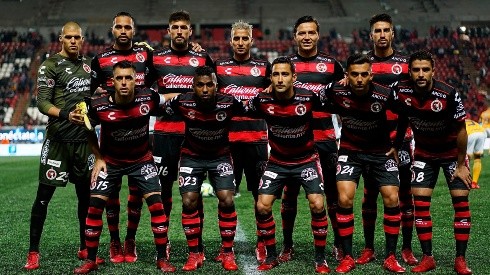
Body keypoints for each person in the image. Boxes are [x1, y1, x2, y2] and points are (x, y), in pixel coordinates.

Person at [74, 61, 178, 274]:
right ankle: (91, 260)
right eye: (119, 78)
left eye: (128, 78)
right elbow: (87, 128)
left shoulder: (147, 97)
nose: (123, 82)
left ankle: (161, 258)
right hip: (110, 162)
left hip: (141, 160)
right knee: (94, 206)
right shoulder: (99, 105)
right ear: (112, 81)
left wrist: (193, 91)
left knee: (157, 205)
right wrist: (98, 157)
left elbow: (168, 97)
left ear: (135, 80)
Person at [23, 21, 104, 271]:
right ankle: (33, 252)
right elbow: (42, 103)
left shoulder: (91, 65)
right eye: (68, 37)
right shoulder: (50, 66)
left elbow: (107, 84)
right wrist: (67, 115)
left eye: (77, 37)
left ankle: (84, 248)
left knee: (85, 198)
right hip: (57, 141)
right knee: (43, 198)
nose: (73, 41)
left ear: (82, 40)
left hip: (84, 142)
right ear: (61, 39)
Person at [393, 50, 472, 275]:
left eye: (425, 69)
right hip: (424, 154)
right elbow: (401, 119)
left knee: (461, 202)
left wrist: (461, 164)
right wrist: (396, 145)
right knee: (421, 205)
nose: (420, 74)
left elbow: (461, 130)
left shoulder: (447, 93)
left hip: (451, 155)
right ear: (409, 71)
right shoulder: (401, 91)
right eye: (416, 69)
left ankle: (460, 260)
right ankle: (428, 258)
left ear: (433, 71)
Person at [324, 53, 405, 273]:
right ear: (347, 76)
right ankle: (348, 256)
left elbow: (404, 114)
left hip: (380, 152)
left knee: (391, 198)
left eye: (363, 74)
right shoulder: (336, 90)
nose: (359, 79)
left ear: (370, 75)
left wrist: (396, 144)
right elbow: (315, 99)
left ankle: (390, 256)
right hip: (351, 151)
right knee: (344, 197)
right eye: (354, 74)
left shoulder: (385, 93)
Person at [251, 56, 330, 273]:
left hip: (306, 161)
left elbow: (333, 100)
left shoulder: (308, 98)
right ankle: (274, 255)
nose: (280, 78)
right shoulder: (262, 100)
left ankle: (320, 258)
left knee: (317, 204)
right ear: (270, 77)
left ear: (294, 77)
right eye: (276, 74)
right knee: (262, 205)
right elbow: (237, 107)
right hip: (277, 162)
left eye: (285, 74)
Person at [161, 66, 243, 271]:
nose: (205, 89)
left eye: (209, 85)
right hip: (191, 157)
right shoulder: (182, 102)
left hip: (220, 156)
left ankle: (227, 252)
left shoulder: (230, 102)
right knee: (189, 201)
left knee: (226, 198)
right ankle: (194, 253)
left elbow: (256, 106)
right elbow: (156, 105)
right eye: (200, 85)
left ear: (216, 85)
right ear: (193, 87)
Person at [147, 10, 214, 259]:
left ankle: (197, 245)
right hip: (164, 134)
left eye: (183, 27)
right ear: (168, 31)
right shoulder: (157, 59)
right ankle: (163, 244)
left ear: (189, 31)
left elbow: (214, 91)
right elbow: (144, 91)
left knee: (194, 192)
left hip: (195, 134)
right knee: (163, 191)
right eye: (174, 27)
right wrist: (167, 98)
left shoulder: (202, 57)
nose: (178, 31)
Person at [279, 15, 345, 263]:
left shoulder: (332, 65)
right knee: (290, 195)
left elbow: (344, 98)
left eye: (311, 33)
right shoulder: (285, 65)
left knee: (331, 195)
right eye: (302, 33)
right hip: (292, 142)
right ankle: (287, 245)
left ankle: (338, 243)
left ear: (318, 35)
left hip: (325, 139)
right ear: (295, 36)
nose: (306, 37)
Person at [90, 11, 152, 264]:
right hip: (111, 133)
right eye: (119, 27)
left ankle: (131, 239)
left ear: (134, 31)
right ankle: (114, 240)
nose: (123, 31)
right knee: (111, 194)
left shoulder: (146, 54)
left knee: (137, 192)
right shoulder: (100, 60)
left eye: (128, 27)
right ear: (112, 30)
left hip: (139, 127)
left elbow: (162, 77)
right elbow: (90, 93)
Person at [356, 13, 417, 266]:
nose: (382, 35)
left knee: (404, 194)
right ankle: (369, 248)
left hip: (401, 139)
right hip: (370, 141)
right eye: (377, 31)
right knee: (370, 194)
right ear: (370, 35)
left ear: (393, 33)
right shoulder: (362, 64)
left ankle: (405, 248)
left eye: (386, 30)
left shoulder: (405, 63)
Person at [213, 20, 271, 263]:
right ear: (230, 41)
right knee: (225, 197)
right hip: (228, 143)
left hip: (257, 140)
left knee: (261, 199)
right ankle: (227, 248)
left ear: (251, 40)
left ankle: (262, 244)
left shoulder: (265, 68)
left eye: (244, 38)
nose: (240, 43)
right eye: (235, 38)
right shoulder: (219, 68)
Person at [465, 119, 485, 189]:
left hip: (470, 134)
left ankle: (466, 182)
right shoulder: (469, 120)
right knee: (477, 157)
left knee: (466, 158)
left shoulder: (457, 121)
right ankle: (474, 183)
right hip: (482, 132)